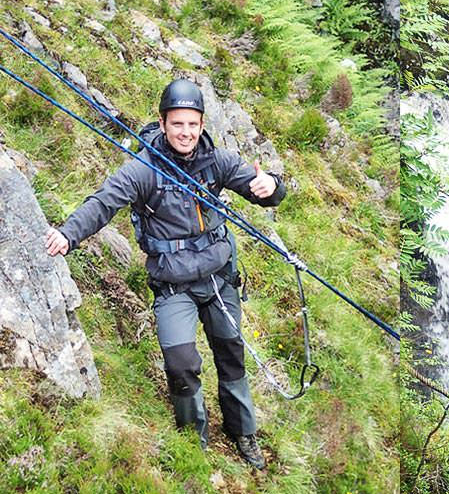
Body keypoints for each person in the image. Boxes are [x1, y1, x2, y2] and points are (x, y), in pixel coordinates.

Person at [44, 78, 287, 469]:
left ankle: (242, 431)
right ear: (162, 123)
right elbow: (103, 202)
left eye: (193, 124)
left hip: (219, 278)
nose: (186, 133)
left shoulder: (217, 161)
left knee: (231, 354)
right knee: (180, 363)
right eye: (177, 124)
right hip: (174, 285)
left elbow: (266, 189)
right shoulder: (143, 171)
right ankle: (195, 440)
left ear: (202, 124)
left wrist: (270, 184)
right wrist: (68, 234)